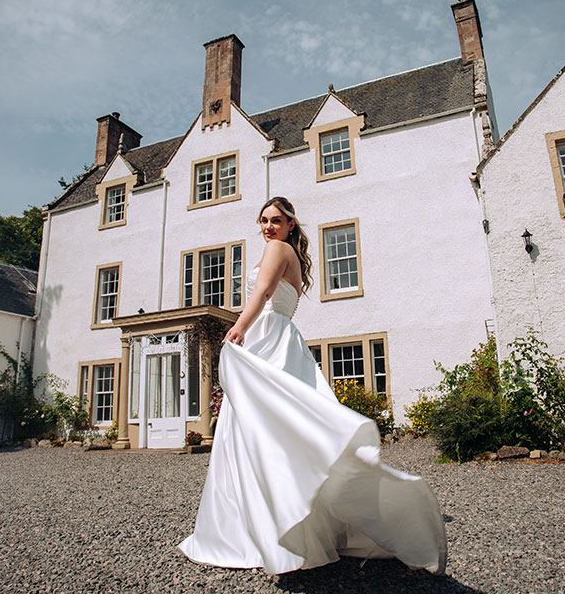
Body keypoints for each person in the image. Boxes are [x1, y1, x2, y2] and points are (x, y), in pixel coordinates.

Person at [178, 197, 447, 575]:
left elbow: (262, 294)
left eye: (276, 220)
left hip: (269, 336)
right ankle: (270, 527)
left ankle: (257, 532)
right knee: (274, 432)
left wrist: (239, 326)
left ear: (290, 224)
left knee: (266, 431)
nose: (268, 227)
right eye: (264, 221)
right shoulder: (288, 252)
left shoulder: (277, 248)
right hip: (278, 336)